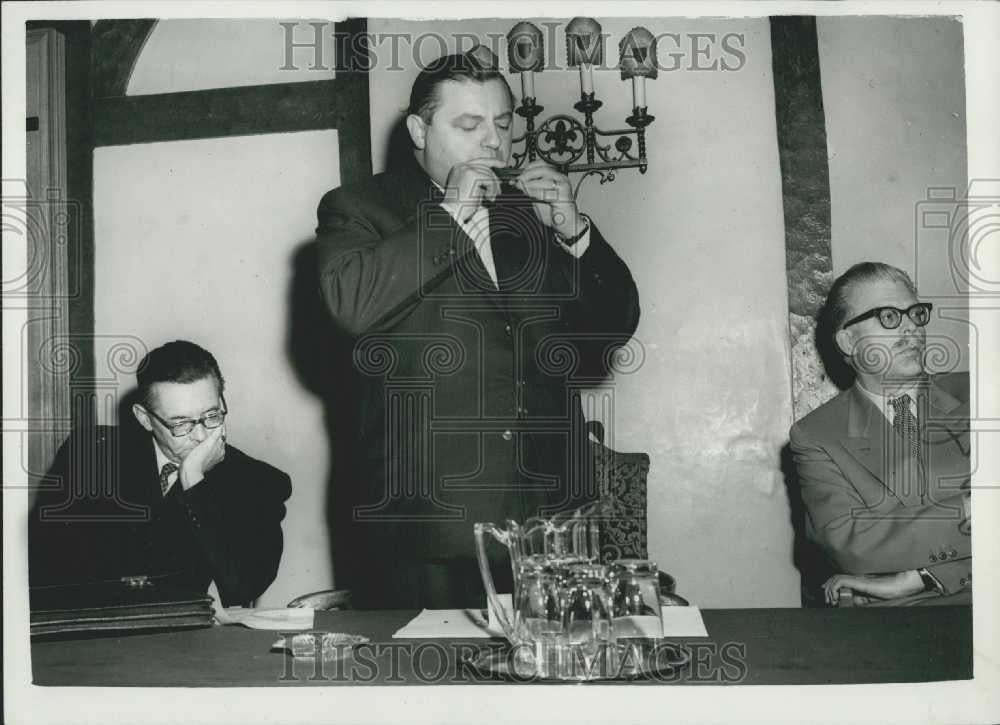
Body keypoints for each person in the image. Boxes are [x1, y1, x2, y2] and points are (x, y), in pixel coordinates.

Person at [315, 48, 640, 608]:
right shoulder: (359, 207)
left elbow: (609, 329)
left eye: (503, 123)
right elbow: (349, 303)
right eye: (469, 125)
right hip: (431, 525)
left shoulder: (526, 214)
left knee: (555, 680)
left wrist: (573, 228)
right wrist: (449, 213)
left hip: (553, 520)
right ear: (419, 130)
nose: (493, 141)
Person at [29, 340, 292, 607]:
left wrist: (193, 482)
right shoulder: (91, 457)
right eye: (180, 423)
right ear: (144, 418)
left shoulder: (257, 482)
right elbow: (45, 567)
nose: (201, 436)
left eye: (212, 415)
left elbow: (243, 587)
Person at [790, 263, 970, 606]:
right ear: (848, 339)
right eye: (889, 317)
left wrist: (919, 577)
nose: (911, 330)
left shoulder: (981, 393)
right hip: (888, 622)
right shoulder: (815, 436)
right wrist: (973, 509)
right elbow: (850, 546)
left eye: (915, 314)